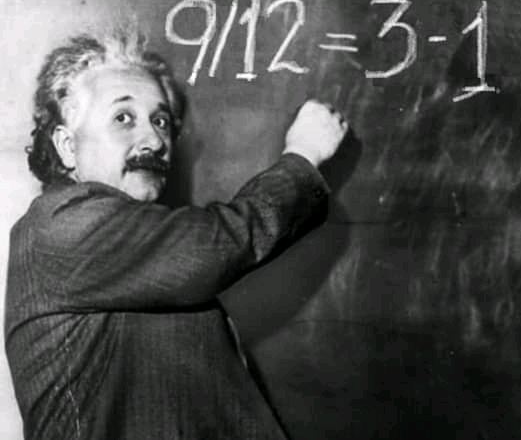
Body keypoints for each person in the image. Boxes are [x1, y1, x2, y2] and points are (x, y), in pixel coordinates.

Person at [4, 30, 348, 440]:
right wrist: (303, 156)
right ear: (66, 145)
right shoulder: (59, 226)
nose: (154, 140)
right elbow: (214, 246)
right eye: (123, 118)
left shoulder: (143, 248)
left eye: (161, 120)